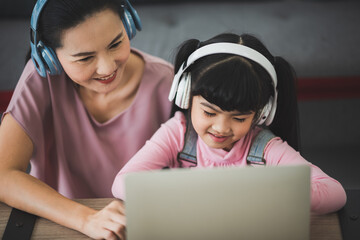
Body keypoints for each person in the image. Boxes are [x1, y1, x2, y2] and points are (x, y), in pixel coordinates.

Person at [112, 33, 347, 215]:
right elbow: (122, 184)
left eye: (239, 118)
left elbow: (336, 194)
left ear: (262, 113)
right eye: (209, 112)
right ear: (185, 96)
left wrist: (276, 193)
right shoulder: (178, 132)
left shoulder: (264, 148)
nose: (222, 128)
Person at [0, 0, 173, 239]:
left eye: (116, 44)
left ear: (129, 25)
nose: (107, 68)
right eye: (84, 58)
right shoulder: (40, 79)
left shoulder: (167, 82)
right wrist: (86, 219)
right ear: (48, 56)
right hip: (60, 226)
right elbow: (3, 174)